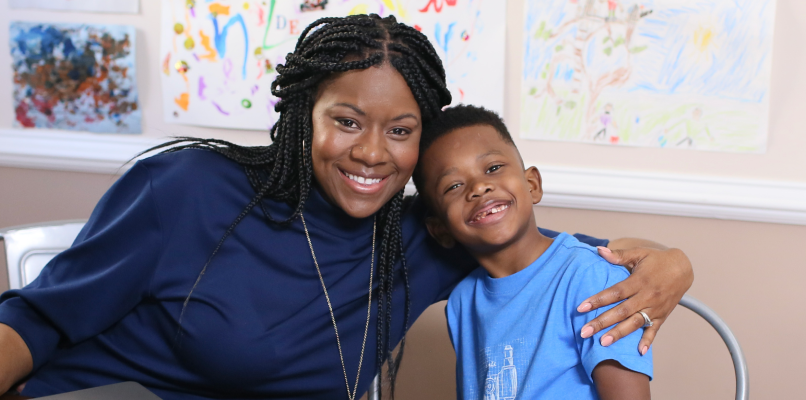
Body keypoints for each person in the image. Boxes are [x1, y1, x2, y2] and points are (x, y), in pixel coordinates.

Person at [0, 15, 692, 400]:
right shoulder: (189, 189)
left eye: (400, 131)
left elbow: (553, 256)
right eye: (347, 121)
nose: (371, 154)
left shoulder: (426, 239)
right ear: (304, 116)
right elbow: (36, 317)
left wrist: (675, 266)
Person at [413, 105, 652, 400]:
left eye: (492, 168)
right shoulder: (463, 301)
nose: (479, 187)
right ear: (440, 230)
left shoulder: (590, 275)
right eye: (454, 185)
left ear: (532, 185)